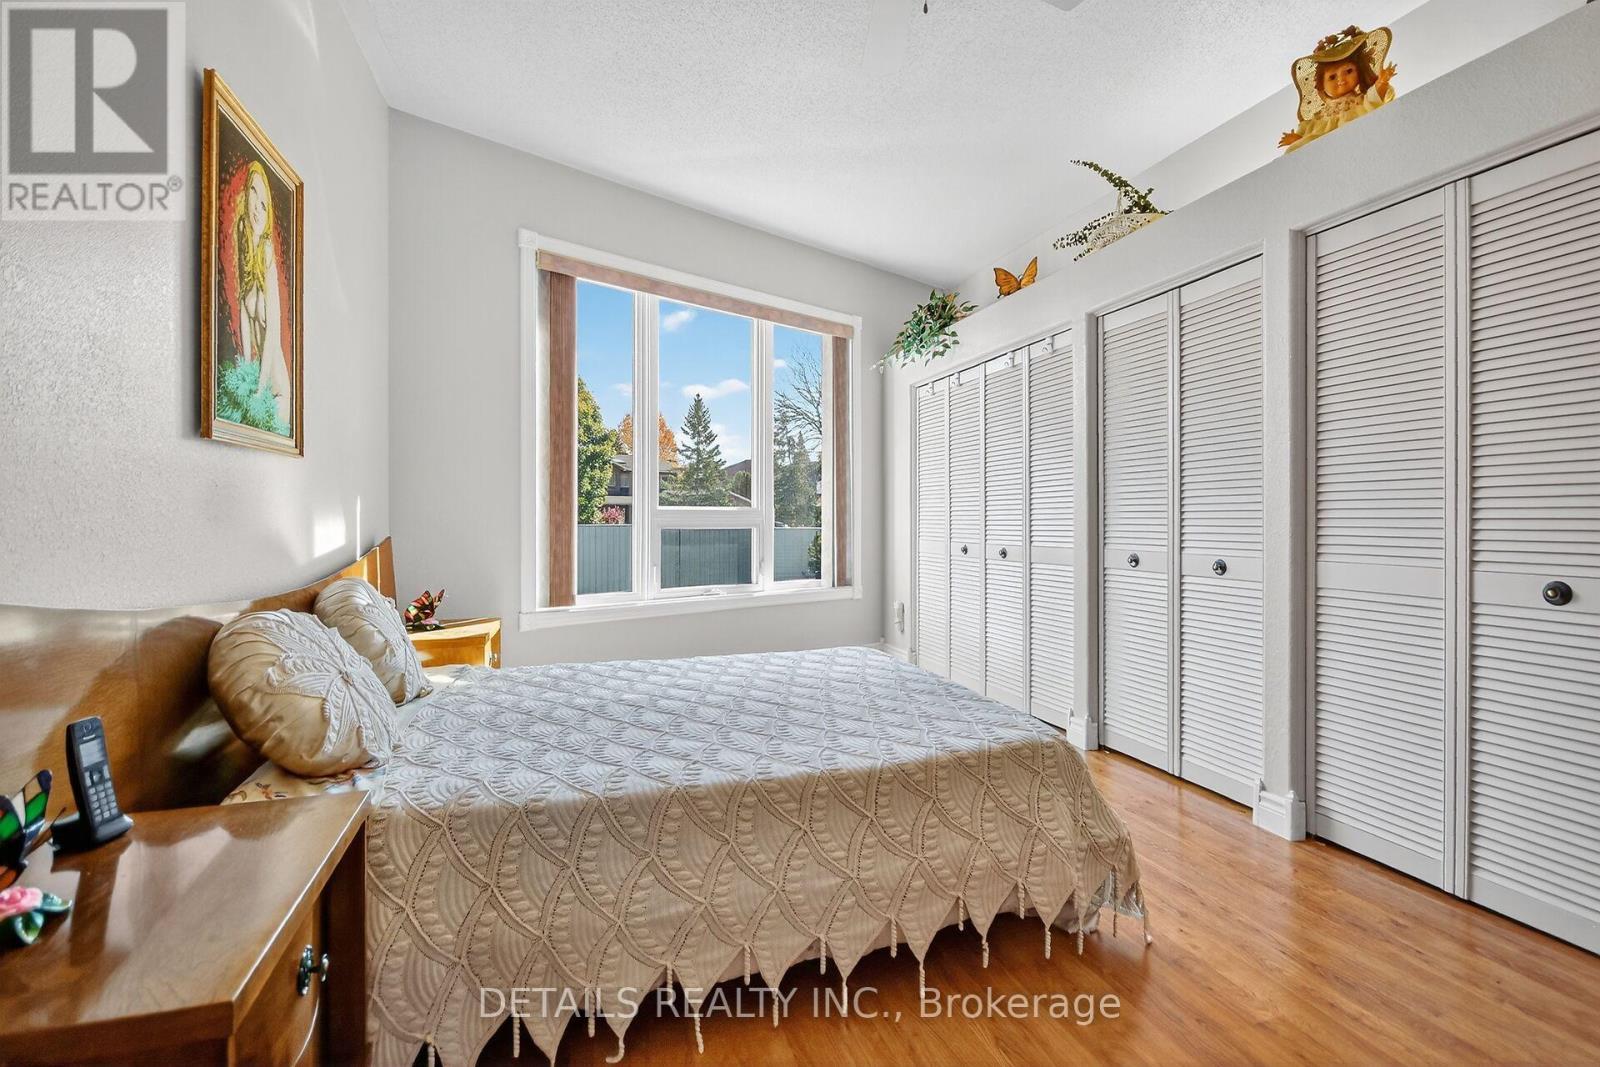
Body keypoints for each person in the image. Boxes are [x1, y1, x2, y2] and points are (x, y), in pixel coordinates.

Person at [234, 160, 292, 424]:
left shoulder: (267, 251)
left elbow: (272, 332)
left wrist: (259, 388)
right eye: (253, 194)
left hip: (277, 389)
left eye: (264, 204)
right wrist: (247, 371)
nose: (258, 208)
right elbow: (245, 317)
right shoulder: (243, 236)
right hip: (259, 380)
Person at [1279, 26, 1397, 152]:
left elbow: (1374, 101)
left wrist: (1381, 82)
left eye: (1348, 71)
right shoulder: (1318, 118)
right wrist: (1297, 139)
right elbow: (1309, 137)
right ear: (1320, 85)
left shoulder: (1360, 102)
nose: (1341, 80)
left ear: (1360, 72)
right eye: (1332, 77)